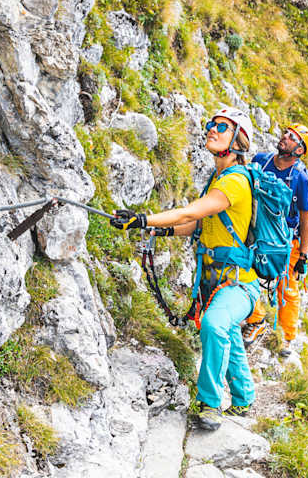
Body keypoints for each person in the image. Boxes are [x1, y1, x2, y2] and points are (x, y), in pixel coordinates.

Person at [110, 107, 259, 430]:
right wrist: (159, 230)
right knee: (226, 330)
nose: (212, 129)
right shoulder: (218, 178)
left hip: (238, 284)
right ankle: (245, 397)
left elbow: (189, 212)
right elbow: (196, 225)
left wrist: (143, 219)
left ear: (238, 140)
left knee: (215, 325)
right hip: (218, 281)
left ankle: (210, 403)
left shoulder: (234, 182)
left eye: (222, 126)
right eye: (211, 124)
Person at [249, 122, 308, 351]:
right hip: (256, 228)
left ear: (299, 150)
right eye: (286, 133)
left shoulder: (301, 178)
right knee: (243, 269)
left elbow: (306, 219)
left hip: (286, 240)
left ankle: (286, 337)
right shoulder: (260, 160)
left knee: (287, 285)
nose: (285, 136)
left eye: (292, 137)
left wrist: (303, 256)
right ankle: (255, 317)